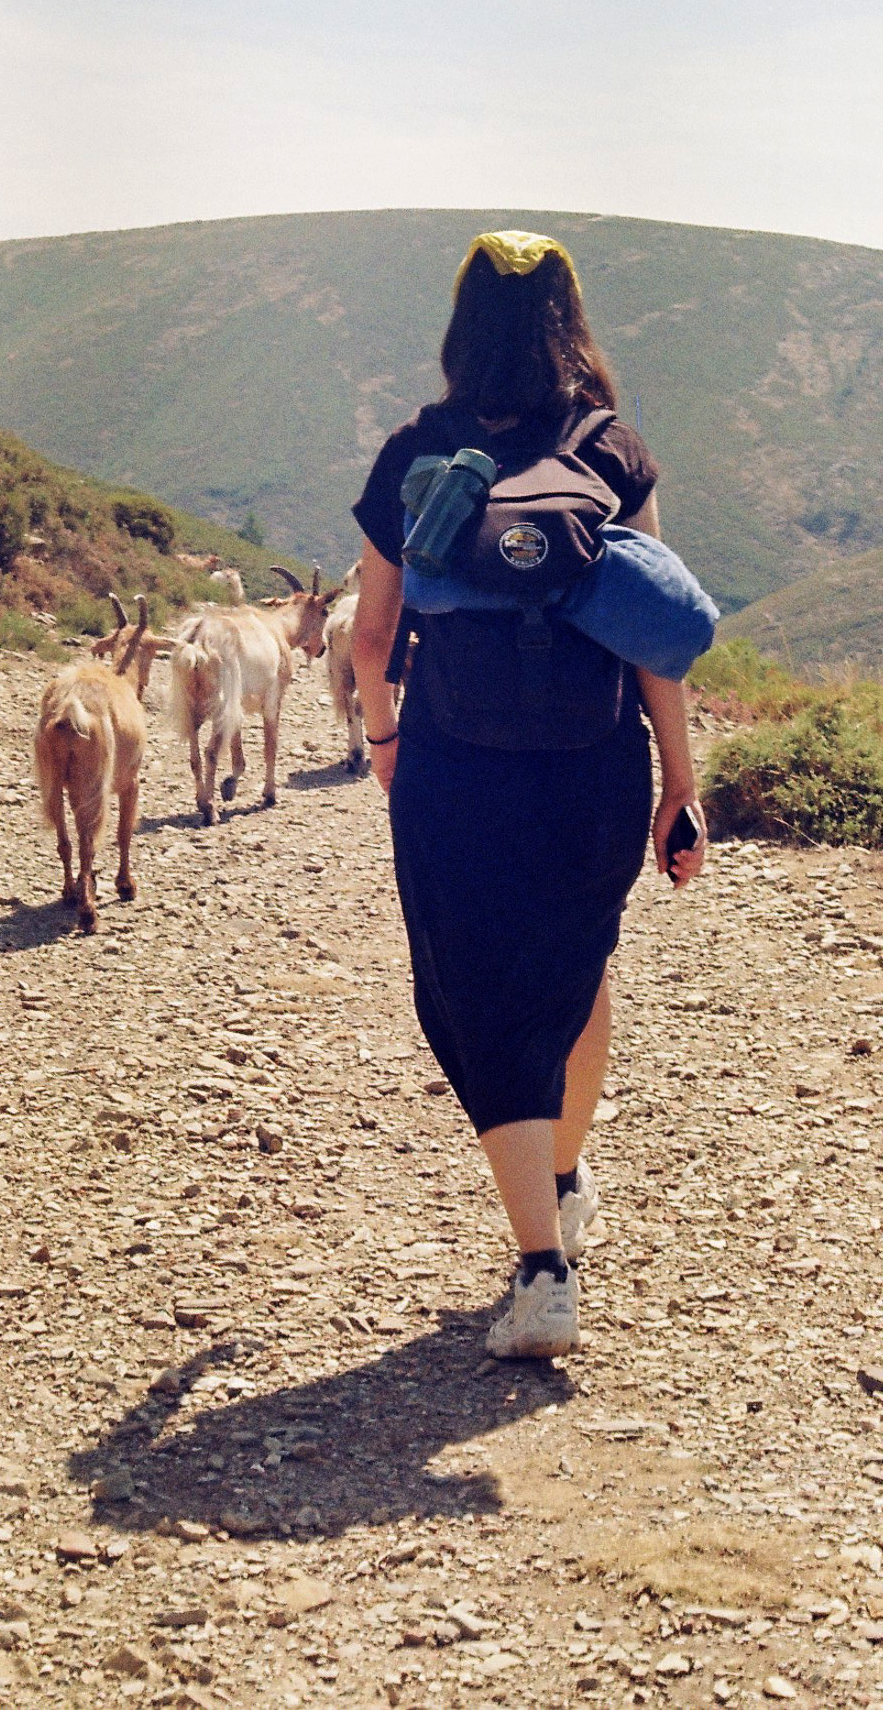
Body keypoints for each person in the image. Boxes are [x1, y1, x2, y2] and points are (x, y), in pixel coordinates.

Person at [348, 229, 704, 1359]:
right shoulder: (612, 452)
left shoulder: (419, 448)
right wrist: (679, 786)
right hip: (592, 771)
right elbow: (658, 642)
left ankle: (542, 1267)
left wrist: (386, 733)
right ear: (571, 321)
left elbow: (368, 636)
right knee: (575, 967)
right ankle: (562, 1175)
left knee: (476, 996)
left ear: (463, 325)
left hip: (455, 768)